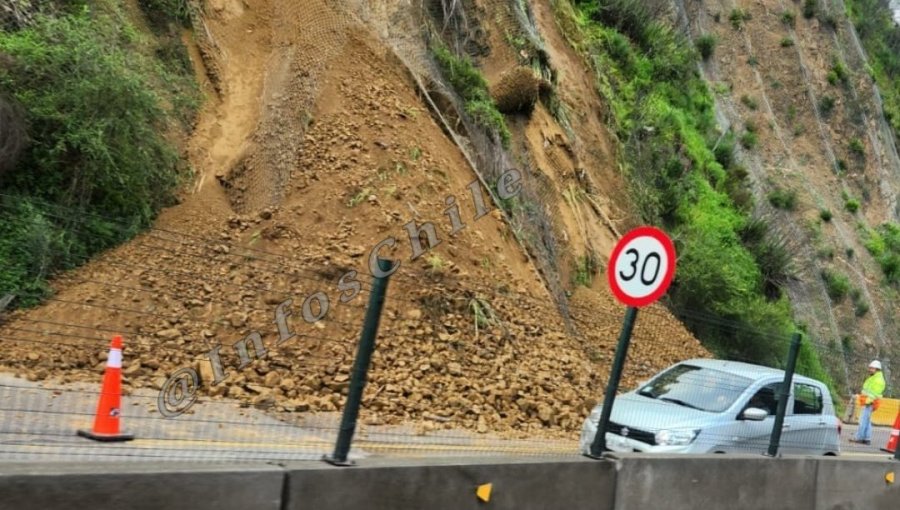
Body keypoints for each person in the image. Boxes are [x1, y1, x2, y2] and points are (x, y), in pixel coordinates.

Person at [850, 360, 886, 445]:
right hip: (868, 402)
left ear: (877, 369)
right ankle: (867, 438)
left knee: (863, 420)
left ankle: (859, 437)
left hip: (869, 403)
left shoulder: (878, 380)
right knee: (867, 421)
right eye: (870, 368)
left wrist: (867, 402)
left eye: (871, 368)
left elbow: (874, 394)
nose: (869, 369)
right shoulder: (874, 378)